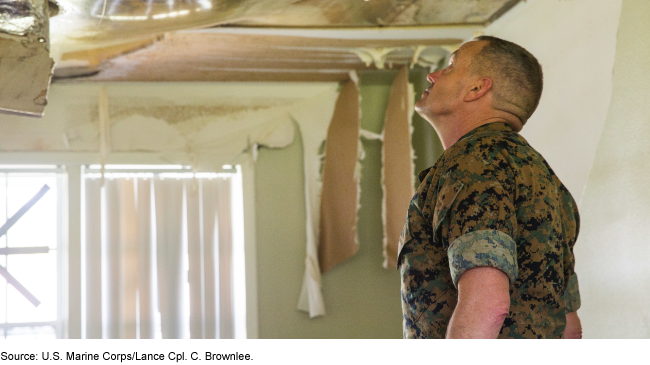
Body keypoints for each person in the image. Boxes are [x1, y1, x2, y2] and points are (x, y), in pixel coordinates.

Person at [397, 35, 582, 339]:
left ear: (477, 88)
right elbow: (569, 325)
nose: (433, 75)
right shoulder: (546, 180)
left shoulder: (473, 163)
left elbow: (487, 304)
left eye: (451, 66)